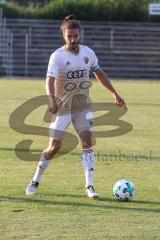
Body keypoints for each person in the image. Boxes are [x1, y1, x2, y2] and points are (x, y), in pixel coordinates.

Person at [26, 15, 127, 198]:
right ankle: (35, 180)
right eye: (69, 36)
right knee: (55, 146)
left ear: (79, 35)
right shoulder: (57, 56)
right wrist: (52, 100)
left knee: (87, 142)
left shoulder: (88, 53)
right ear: (63, 35)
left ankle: (89, 186)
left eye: (75, 36)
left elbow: (100, 73)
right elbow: (49, 80)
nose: (73, 40)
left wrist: (115, 94)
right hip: (62, 107)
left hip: (83, 106)